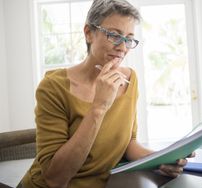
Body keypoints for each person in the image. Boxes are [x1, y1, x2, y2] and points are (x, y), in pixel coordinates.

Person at [18, 0, 192, 187]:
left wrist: (161, 159)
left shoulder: (129, 79)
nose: (123, 47)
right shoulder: (53, 87)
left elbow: (128, 143)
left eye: (128, 38)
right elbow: (55, 178)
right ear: (88, 33)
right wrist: (99, 107)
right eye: (114, 35)